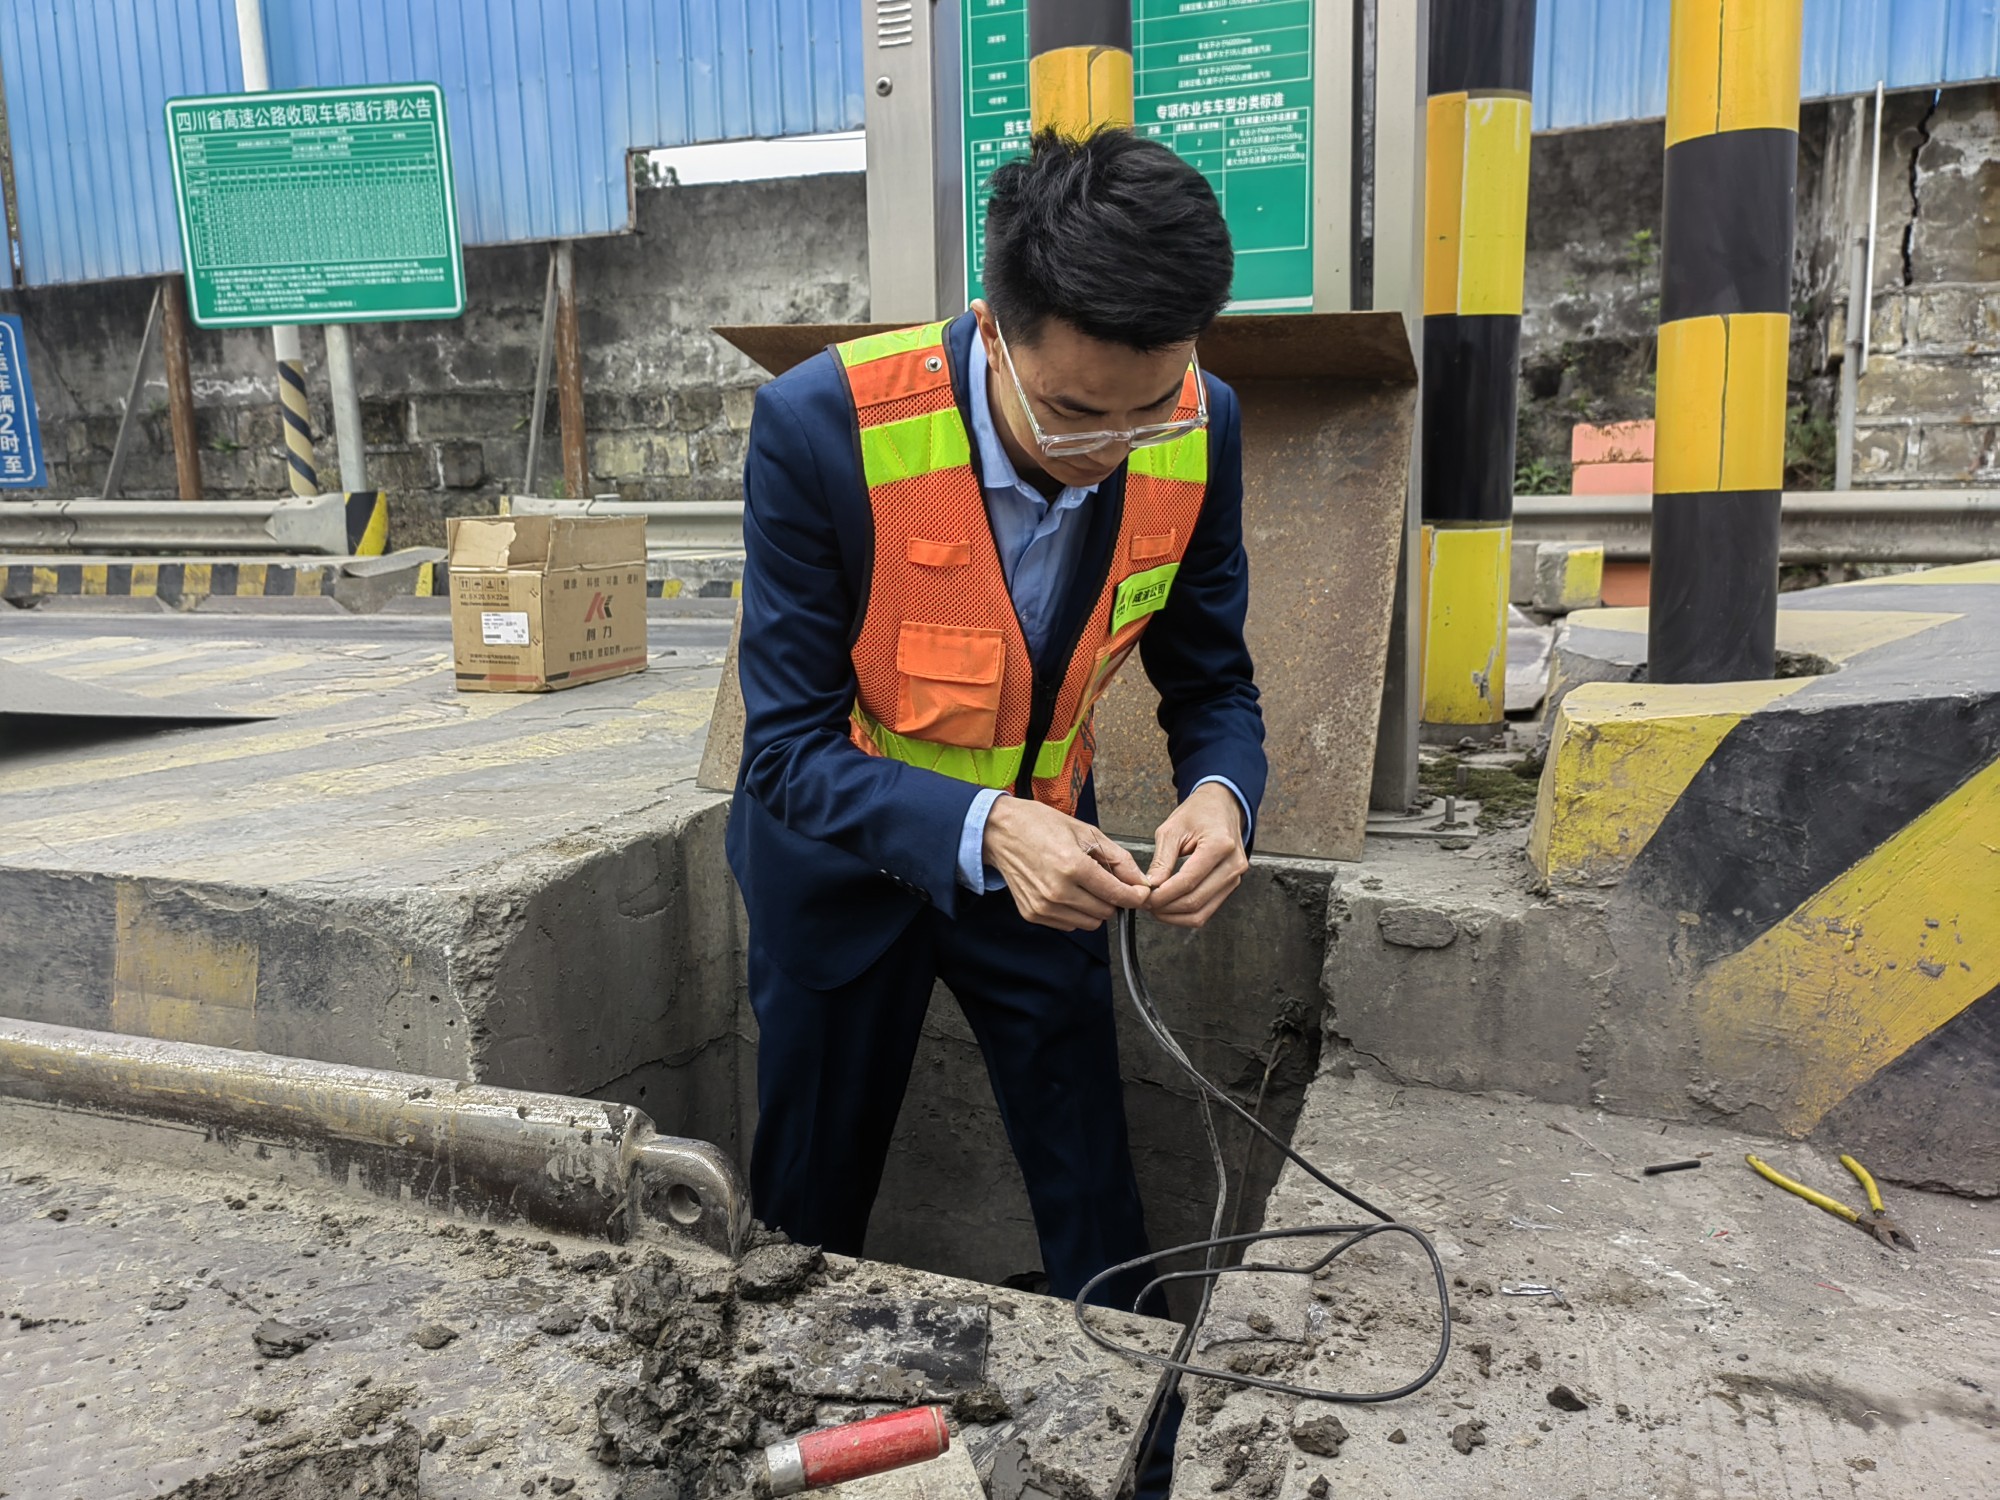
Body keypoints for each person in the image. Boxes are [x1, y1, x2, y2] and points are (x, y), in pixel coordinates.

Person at [726, 128, 1265, 1314]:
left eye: (1146, 414)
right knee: (808, 1203)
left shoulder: (1202, 423)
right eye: (1073, 415)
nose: (1107, 453)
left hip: (1051, 866)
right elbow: (786, 752)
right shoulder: (823, 427)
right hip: (839, 867)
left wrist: (1221, 798)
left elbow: (1212, 682)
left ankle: (1140, 1440)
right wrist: (980, 829)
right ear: (989, 328)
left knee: (1093, 1191)